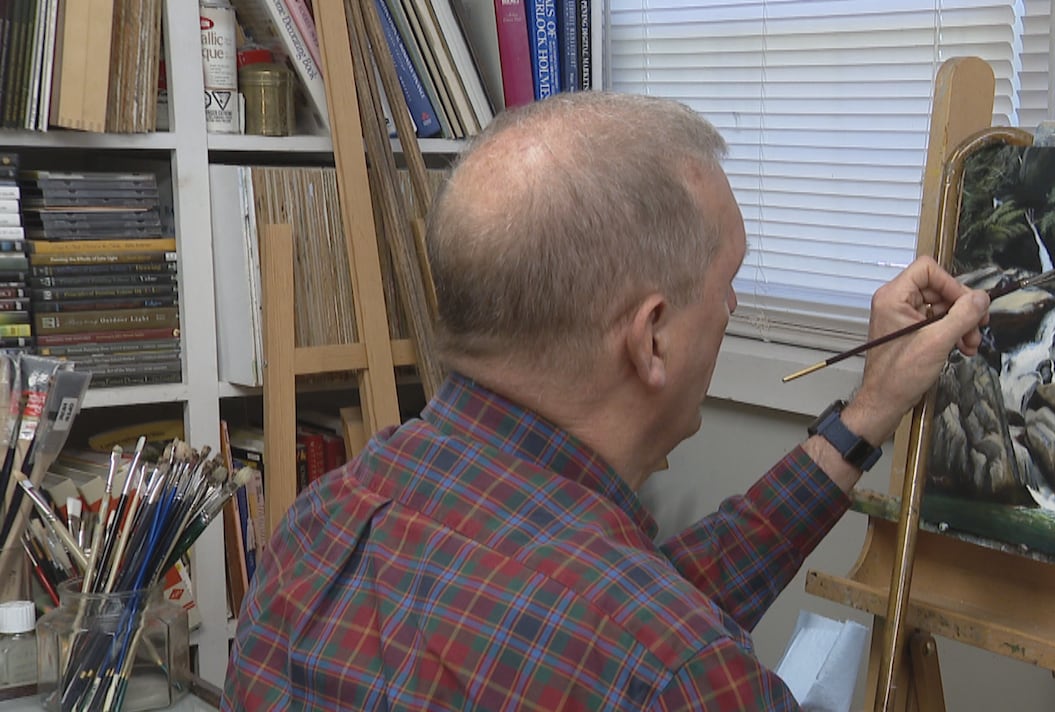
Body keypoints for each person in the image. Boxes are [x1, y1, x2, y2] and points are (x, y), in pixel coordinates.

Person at [222, 91, 990, 710]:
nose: (728, 309)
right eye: (728, 285)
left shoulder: (322, 526)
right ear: (651, 338)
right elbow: (643, 639)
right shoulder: (675, 674)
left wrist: (867, 413)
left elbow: (632, 601)